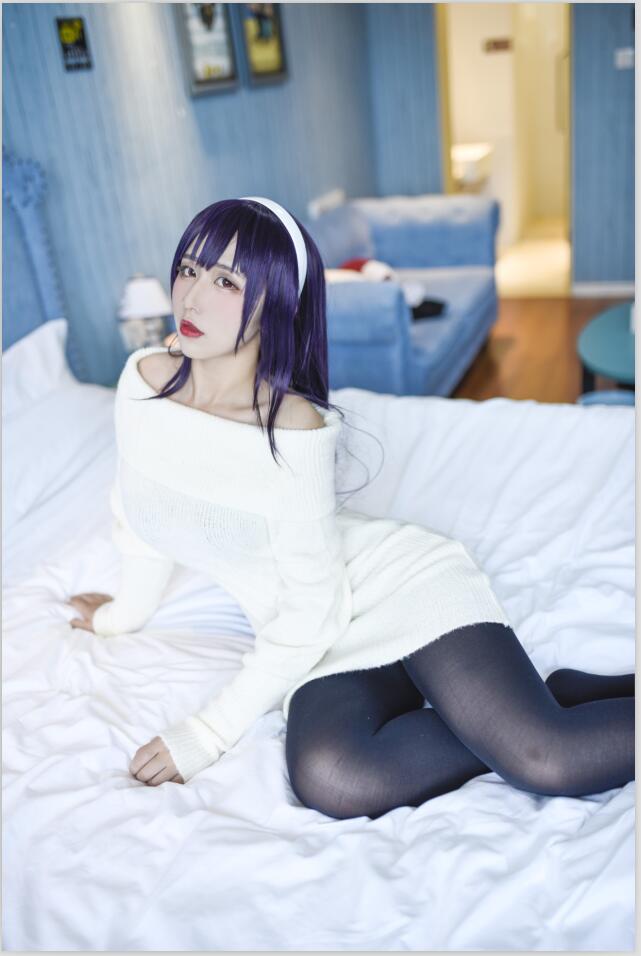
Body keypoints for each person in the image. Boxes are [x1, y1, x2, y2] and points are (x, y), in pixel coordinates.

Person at [67, 197, 635, 820]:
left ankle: (526, 719)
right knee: (334, 778)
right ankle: (543, 701)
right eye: (189, 270)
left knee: (546, 759)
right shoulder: (143, 382)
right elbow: (138, 513)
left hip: (395, 588)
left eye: (226, 281)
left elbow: (311, 607)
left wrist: (206, 733)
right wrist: (119, 617)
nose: (193, 298)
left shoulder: (292, 427)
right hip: (321, 639)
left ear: (276, 303)